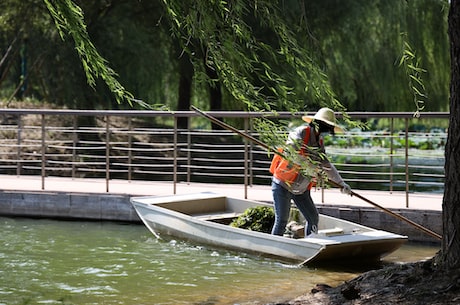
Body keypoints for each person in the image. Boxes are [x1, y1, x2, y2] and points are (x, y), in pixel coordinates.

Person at [269, 107, 352, 237]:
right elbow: (291, 151)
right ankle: (273, 249)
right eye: (327, 128)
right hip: (284, 184)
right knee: (282, 221)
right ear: (319, 125)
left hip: (301, 188)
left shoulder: (319, 142)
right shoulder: (301, 132)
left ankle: (311, 242)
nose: (327, 132)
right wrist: (309, 165)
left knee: (313, 218)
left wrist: (341, 184)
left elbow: (326, 164)